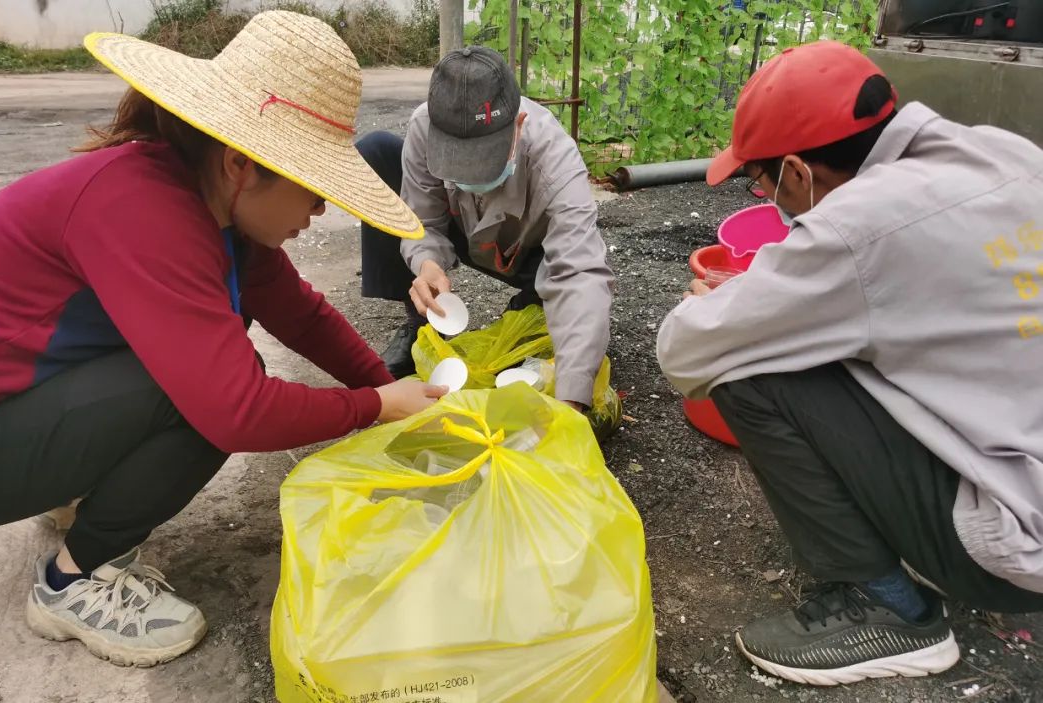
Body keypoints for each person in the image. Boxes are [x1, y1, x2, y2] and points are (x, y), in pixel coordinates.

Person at [0, 11, 446, 667]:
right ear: (242, 165)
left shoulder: (214, 204)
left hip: (6, 406)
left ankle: (68, 484)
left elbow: (300, 315)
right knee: (206, 392)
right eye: (313, 187)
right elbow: (236, 410)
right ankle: (72, 581)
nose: (320, 210)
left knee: (204, 351)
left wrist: (386, 385)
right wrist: (374, 409)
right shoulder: (143, 207)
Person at [657, 41, 1043, 686]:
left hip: (1013, 547)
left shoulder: (856, 226)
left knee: (747, 365)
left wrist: (729, 305)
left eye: (758, 179)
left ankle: (889, 610)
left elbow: (685, 350)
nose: (762, 193)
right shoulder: (1006, 152)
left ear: (797, 173)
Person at [355, 46, 614, 412]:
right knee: (378, 152)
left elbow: (580, 273)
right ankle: (421, 321)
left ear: (519, 125)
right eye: (457, 163)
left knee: (566, 319)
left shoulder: (557, 161)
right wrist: (427, 264)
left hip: (527, 253)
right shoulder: (423, 127)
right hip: (466, 230)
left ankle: (533, 305)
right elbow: (422, 221)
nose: (472, 177)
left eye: (484, 160)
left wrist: (572, 401)